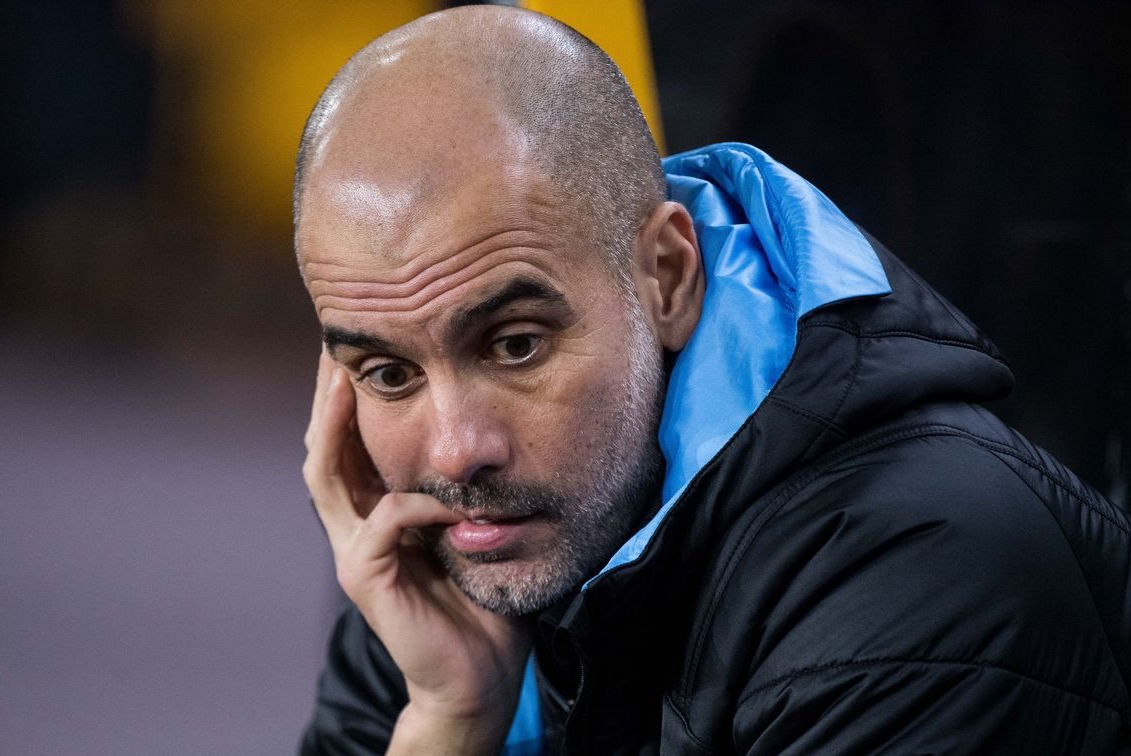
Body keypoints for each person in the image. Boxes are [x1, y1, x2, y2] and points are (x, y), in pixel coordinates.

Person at [292, 6, 1131, 755]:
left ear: (667, 276)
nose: (455, 451)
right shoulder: (452, 579)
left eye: (515, 346)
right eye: (390, 372)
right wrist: (451, 718)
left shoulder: (923, 579)